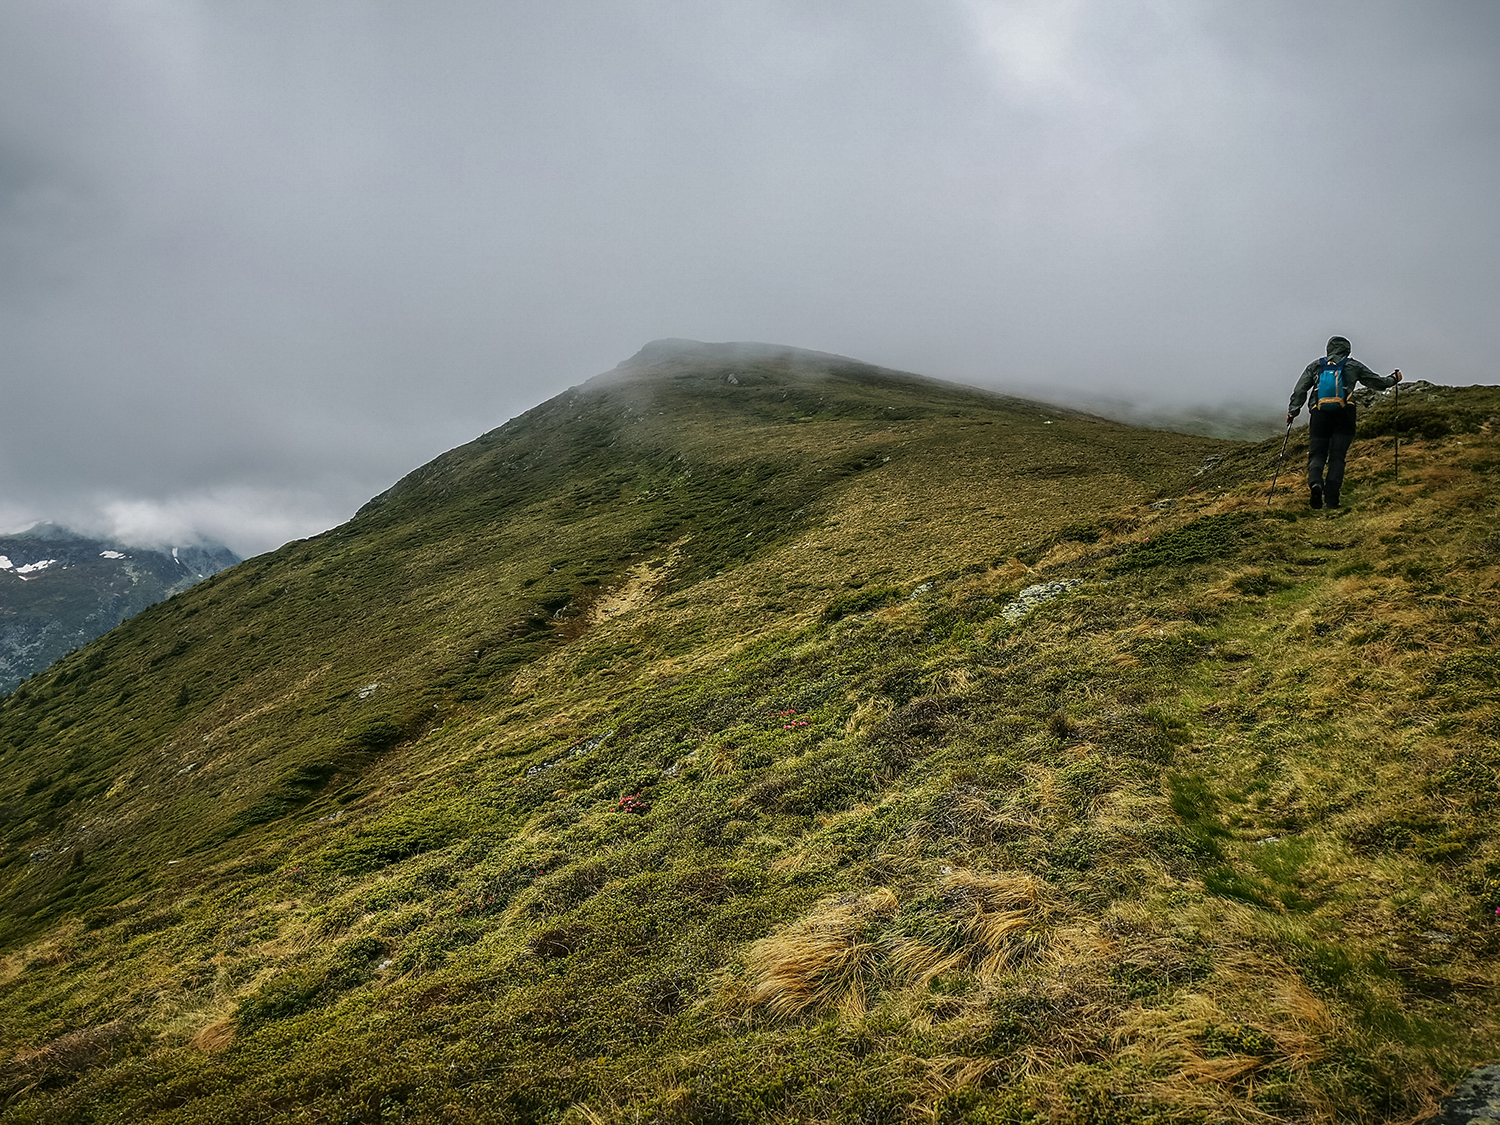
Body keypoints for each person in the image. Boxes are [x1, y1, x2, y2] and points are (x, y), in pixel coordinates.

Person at [1286, 336, 1402, 509]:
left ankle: (1316, 483)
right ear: (1347, 350)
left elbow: (1300, 389)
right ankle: (1332, 499)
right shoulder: (1353, 365)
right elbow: (1378, 383)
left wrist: (1293, 411)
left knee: (1317, 454)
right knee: (1337, 456)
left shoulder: (1316, 365)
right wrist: (1394, 378)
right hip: (1345, 414)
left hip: (1319, 413)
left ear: (1328, 349)